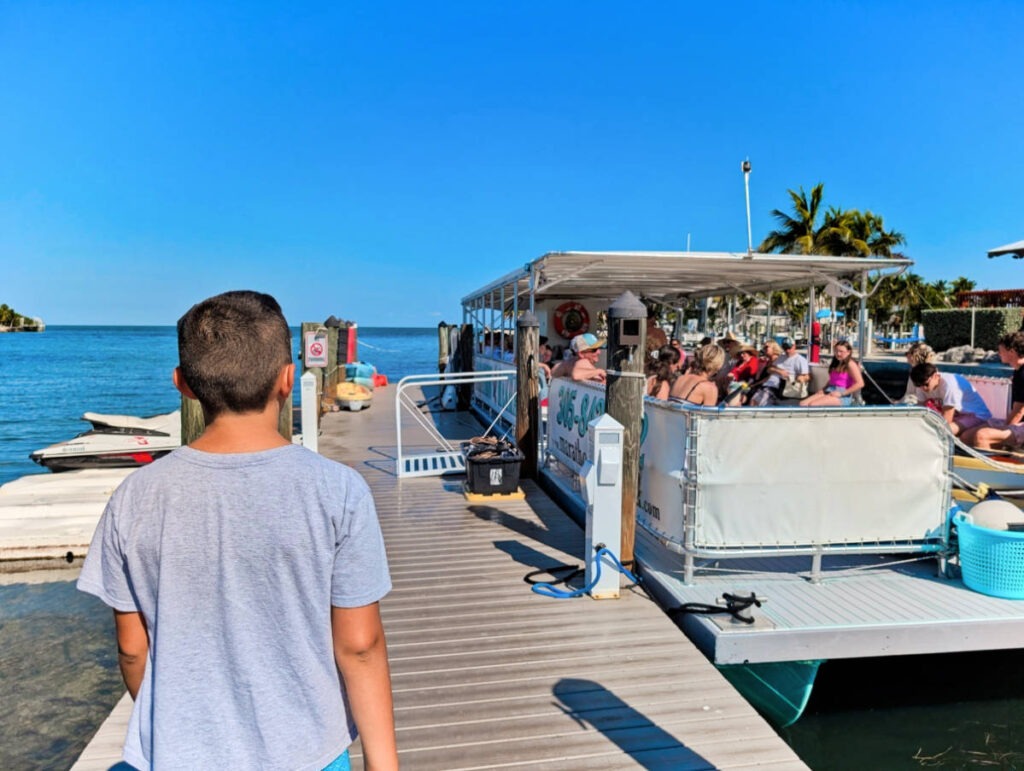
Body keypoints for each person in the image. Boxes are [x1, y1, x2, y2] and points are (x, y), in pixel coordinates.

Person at [77, 291, 398, 771]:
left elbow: (132, 649)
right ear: (288, 379)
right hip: (308, 749)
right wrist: (383, 762)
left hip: (181, 753)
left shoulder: (133, 497)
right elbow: (360, 646)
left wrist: (174, 722)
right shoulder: (339, 490)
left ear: (183, 384)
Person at [967, 331, 1024, 450]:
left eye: (1000, 350)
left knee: (981, 436)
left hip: (1020, 424)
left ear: (1012, 351)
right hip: (1016, 421)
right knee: (967, 436)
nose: (998, 353)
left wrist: (1003, 431)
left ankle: (994, 461)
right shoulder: (1018, 371)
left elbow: (1019, 411)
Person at [909, 361, 992, 436]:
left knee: (941, 432)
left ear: (935, 376)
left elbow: (946, 420)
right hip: (958, 415)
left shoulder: (949, 385)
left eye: (926, 384)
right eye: (918, 385)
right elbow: (920, 410)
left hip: (976, 415)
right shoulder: (921, 385)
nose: (923, 388)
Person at [800, 341, 864, 407]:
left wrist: (842, 393)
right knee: (803, 404)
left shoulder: (851, 364)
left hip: (842, 395)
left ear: (848, 352)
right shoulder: (837, 363)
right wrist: (823, 389)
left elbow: (860, 383)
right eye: (836, 351)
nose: (838, 354)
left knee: (813, 405)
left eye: (841, 351)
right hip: (830, 390)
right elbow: (832, 380)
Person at [746, 341, 784, 406]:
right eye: (764, 347)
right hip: (765, 386)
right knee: (752, 401)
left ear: (774, 348)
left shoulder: (778, 360)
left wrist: (755, 384)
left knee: (755, 402)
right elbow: (764, 376)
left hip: (773, 387)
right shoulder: (769, 361)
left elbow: (771, 377)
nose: (764, 349)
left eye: (766, 347)